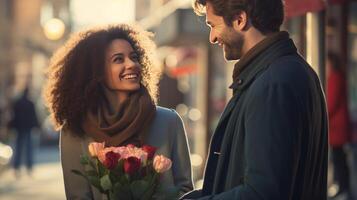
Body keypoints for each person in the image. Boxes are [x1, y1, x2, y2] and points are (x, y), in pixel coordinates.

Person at [181, 0, 328, 199]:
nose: (213, 37)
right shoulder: (285, 72)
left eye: (213, 25)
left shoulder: (272, 83)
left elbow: (262, 193)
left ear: (240, 20)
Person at [43, 24, 193, 199]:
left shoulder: (169, 121)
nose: (131, 64)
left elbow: (186, 191)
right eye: (118, 59)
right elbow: (77, 196)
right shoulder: (74, 131)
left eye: (134, 57)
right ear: (97, 71)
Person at [326, 52, 351, 199]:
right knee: (339, 159)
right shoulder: (338, 77)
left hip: (336, 128)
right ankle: (342, 187)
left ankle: (342, 188)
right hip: (338, 127)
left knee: (338, 159)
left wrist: (321, 115)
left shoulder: (334, 78)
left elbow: (331, 103)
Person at [9, 87, 39, 177]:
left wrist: (12, 126)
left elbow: (13, 115)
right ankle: (29, 167)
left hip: (19, 129)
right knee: (28, 148)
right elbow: (34, 116)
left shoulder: (17, 103)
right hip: (28, 128)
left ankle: (16, 168)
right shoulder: (30, 103)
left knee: (18, 148)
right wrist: (37, 126)